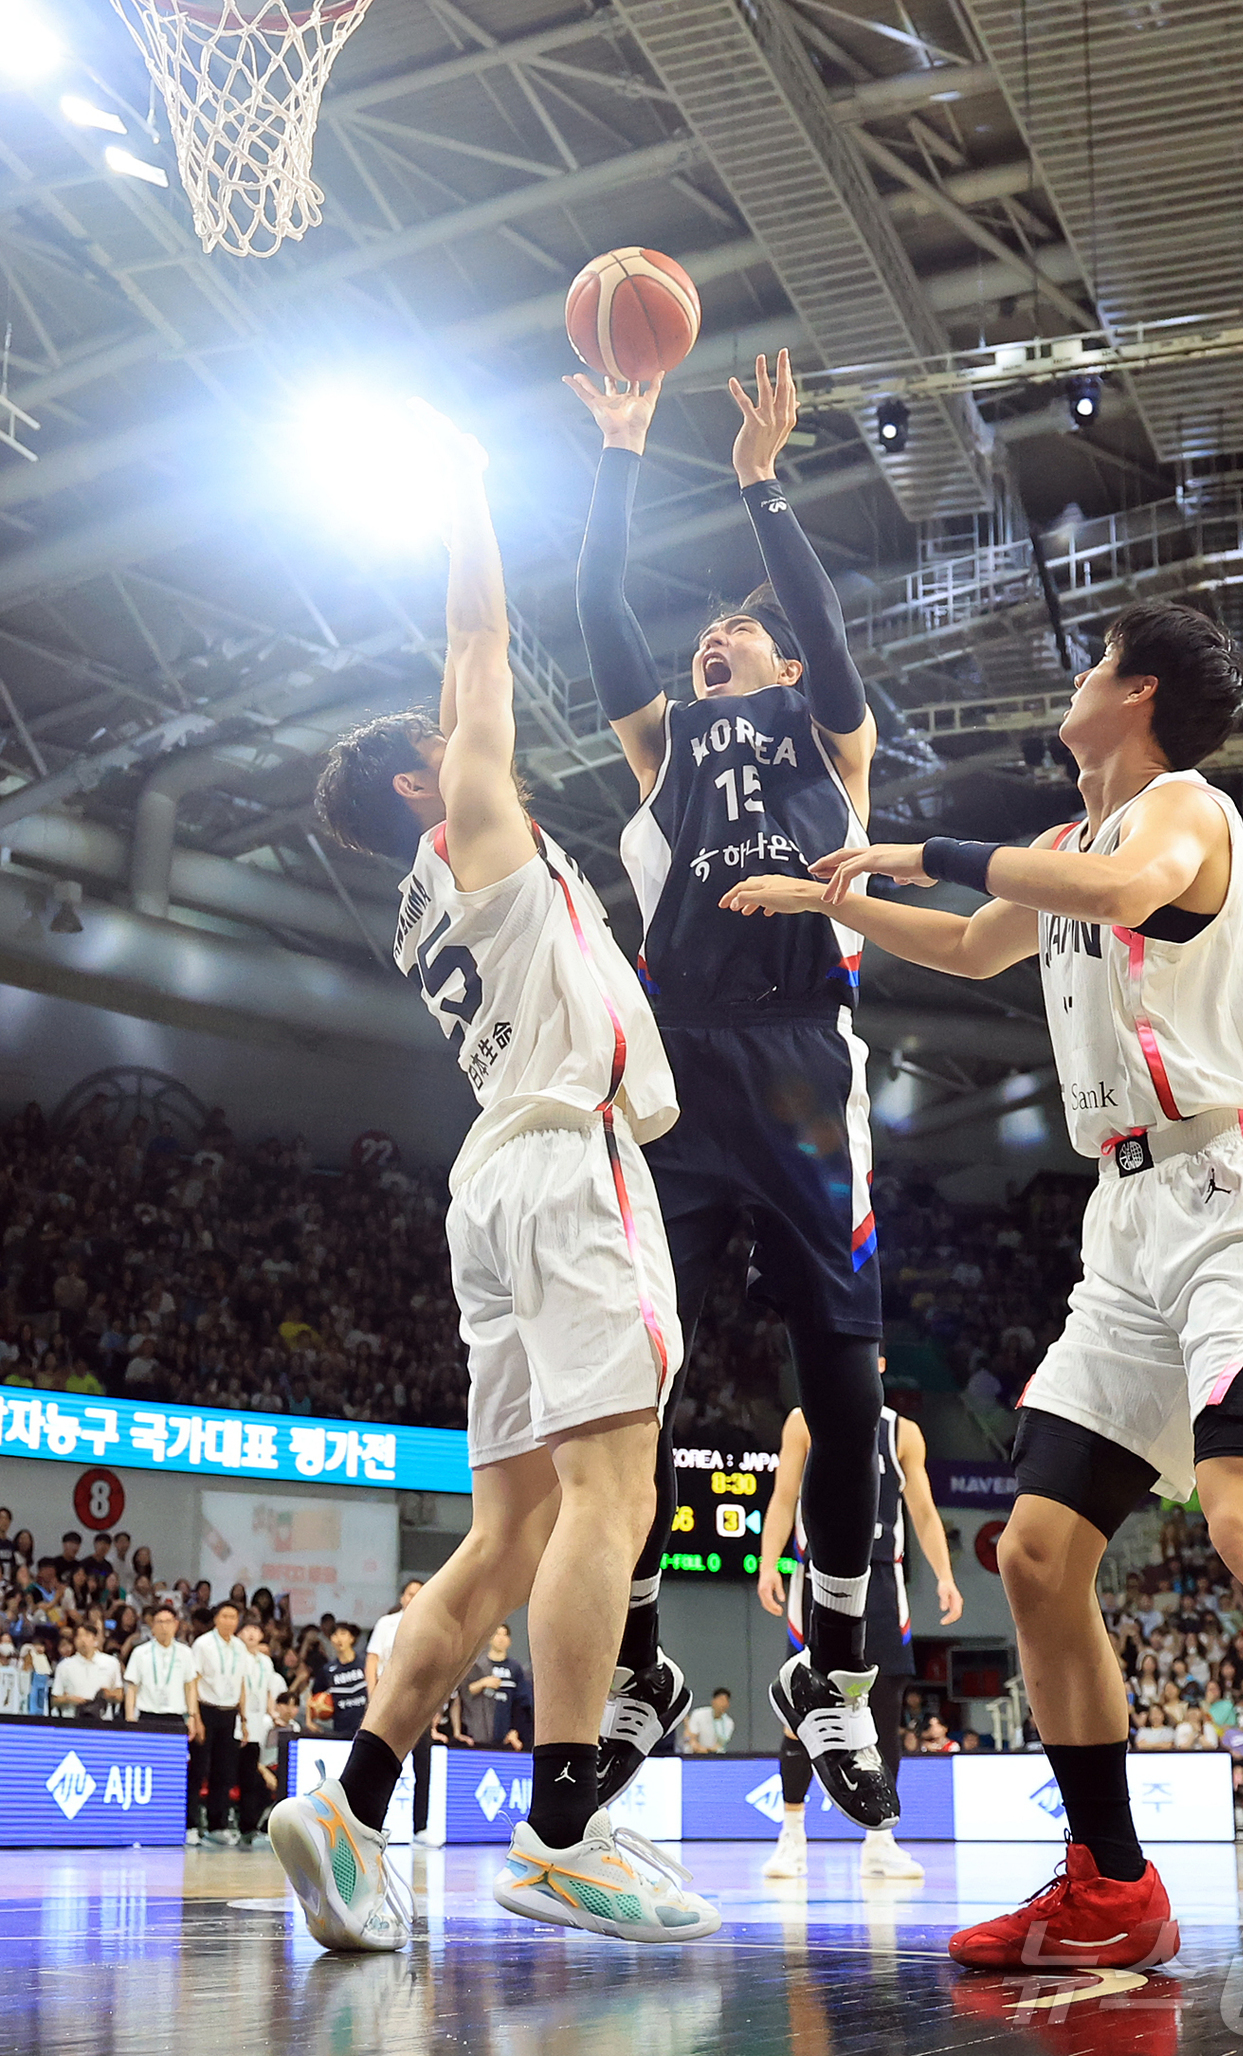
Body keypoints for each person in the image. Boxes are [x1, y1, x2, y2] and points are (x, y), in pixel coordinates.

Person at [723, 596, 1243, 1985]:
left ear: (1136, 693)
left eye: (1095, 663)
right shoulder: (1063, 846)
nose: (1074, 680)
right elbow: (974, 946)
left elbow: (1120, 894)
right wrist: (831, 899)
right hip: (1125, 1218)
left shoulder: (1185, 812)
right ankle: (1111, 1883)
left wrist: (916, 845)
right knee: (1035, 1554)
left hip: (1233, 1189)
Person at [269, 419, 715, 1953]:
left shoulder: (432, 897)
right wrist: (468, 481)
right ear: (425, 773)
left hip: (494, 1190)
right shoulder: (469, 812)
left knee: (508, 1534)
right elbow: (479, 637)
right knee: (612, 1497)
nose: (481, 732)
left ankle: (352, 1804)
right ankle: (563, 1830)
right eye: (454, 733)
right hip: (568, 1163)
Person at [566, 350, 892, 1832]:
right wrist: (621, 455)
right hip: (678, 1067)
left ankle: (834, 1670)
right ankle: (643, 1666)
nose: (716, 640)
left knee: (845, 1379)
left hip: (806, 1061)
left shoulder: (831, 737)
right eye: (708, 636)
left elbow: (823, 629)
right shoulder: (665, 749)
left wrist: (761, 487)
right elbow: (601, 619)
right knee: (631, 1372)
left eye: (738, 635)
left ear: (786, 668)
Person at [758, 1392, 963, 1881]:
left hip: (883, 1579)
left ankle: (880, 1842)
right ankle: (792, 1836)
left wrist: (945, 1576)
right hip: (817, 1575)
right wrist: (768, 1564)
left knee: (884, 1716)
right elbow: (784, 1497)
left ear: (881, 1364)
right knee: (802, 1709)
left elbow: (924, 1511)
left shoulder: (903, 1432)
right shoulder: (804, 1419)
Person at [364, 1581, 435, 1839]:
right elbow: (372, 1660)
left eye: (420, 1595)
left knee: (423, 1767)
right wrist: (373, 1698)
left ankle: (421, 1828)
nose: (414, 1599)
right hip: (389, 1697)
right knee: (382, 1762)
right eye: (410, 1594)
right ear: (402, 1597)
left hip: (421, 1701)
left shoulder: (432, 1626)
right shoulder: (387, 1624)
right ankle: (373, 1824)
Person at [189, 1599, 248, 1849]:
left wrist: (244, 1718)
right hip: (206, 1709)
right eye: (224, 1616)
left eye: (233, 1617)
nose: (229, 1621)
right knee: (199, 1769)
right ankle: (191, 1825)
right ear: (215, 1619)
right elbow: (192, 1681)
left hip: (230, 1712)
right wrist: (195, 1717)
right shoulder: (203, 1644)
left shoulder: (240, 1646)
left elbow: (242, 1682)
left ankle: (218, 1825)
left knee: (223, 1772)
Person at [236, 1615, 281, 1847]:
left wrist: (273, 1713)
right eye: (247, 1629)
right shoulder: (236, 1656)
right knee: (232, 1776)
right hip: (237, 1726)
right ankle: (227, 1826)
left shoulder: (266, 1662)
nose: (252, 1633)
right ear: (239, 1634)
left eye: (256, 1629)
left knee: (252, 1782)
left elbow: (268, 1692)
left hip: (257, 1728)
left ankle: (249, 1828)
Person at [124, 1601, 199, 1731]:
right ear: (152, 1626)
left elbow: (190, 1686)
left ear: (176, 1625)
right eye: (160, 1622)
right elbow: (132, 1687)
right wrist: (130, 1717)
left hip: (175, 1716)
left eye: (168, 1622)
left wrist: (192, 1716)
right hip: (148, 1715)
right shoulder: (140, 1652)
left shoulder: (185, 1652)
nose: (164, 1627)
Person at [460, 1623, 529, 1749]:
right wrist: (482, 1683)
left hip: (506, 1735)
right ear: (490, 1638)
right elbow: (463, 1693)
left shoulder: (515, 1668)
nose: (501, 1639)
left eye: (505, 1635)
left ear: (510, 1641)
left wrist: (516, 1731)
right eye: (497, 1634)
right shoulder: (477, 1666)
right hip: (477, 1733)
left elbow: (521, 1702)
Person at [51, 1620, 122, 1719]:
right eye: (79, 1636)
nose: (83, 1640)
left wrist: (108, 1694)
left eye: (87, 1635)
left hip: (103, 1720)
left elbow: (119, 1695)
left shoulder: (111, 1663)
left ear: (95, 1639)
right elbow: (55, 1699)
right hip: (72, 1719)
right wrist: (69, 1699)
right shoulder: (64, 1666)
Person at [312, 1623, 369, 1738]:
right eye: (335, 1635)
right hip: (341, 1729)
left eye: (343, 1634)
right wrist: (309, 1720)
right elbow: (314, 1696)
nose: (338, 1639)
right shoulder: (328, 1670)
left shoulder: (365, 1663)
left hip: (367, 1726)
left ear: (352, 1638)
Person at [685, 1689, 734, 1756]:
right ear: (713, 1701)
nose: (723, 1704)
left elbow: (721, 1743)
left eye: (726, 1701)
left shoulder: (729, 1723)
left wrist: (707, 1751)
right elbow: (690, 1736)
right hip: (693, 1755)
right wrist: (697, 1747)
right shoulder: (698, 1714)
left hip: (715, 1756)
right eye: (721, 1700)